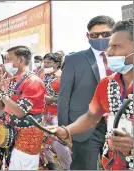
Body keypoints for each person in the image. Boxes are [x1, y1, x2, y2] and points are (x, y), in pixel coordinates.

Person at [54, 19, 133, 170]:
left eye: (114, 45)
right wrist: (67, 129)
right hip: (107, 152)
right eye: (95, 35)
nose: (109, 52)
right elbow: (90, 116)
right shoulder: (107, 84)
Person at [0, 46, 46, 170]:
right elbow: (1, 106)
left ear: (21, 60)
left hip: (28, 134)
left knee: (22, 165)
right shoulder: (11, 80)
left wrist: (0, 92)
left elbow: (20, 112)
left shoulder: (33, 81)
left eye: (8, 59)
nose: (5, 63)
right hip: (11, 131)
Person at [38, 53, 72, 170]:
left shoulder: (63, 77)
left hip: (58, 114)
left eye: (49, 63)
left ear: (57, 64)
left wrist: (51, 99)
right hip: (43, 114)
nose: (46, 65)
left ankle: (67, 167)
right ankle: (51, 164)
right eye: (45, 62)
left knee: (59, 142)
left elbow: (68, 96)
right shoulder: (43, 75)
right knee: (43, 140)